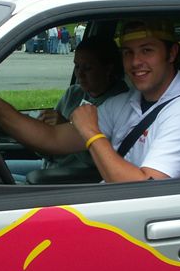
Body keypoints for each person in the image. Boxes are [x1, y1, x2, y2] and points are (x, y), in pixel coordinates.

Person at [0, 18, 180, 183]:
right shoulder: (128, 101)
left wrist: (91, 133)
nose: (136, 62)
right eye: (128, 52)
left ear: (171, 53)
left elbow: (146, 187)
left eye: (147, 50)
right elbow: (52, 138)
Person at [36, 36, 128, 171]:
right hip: (49, 166)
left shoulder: (120, 103)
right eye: (77, 66)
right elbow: (47, 144)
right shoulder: (73, 93)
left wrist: (66, 128)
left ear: (108, 69)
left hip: (73, 176)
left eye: (88, 68)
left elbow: (100, 161)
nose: (80, 74)